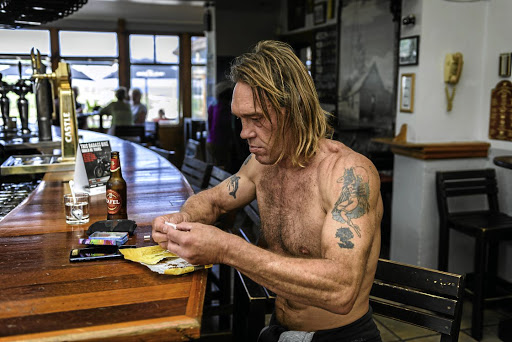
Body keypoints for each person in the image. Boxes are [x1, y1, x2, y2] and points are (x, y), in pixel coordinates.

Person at [152, 40, 383, 341]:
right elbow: (214, 201)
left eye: (257, 119)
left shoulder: (348, 174)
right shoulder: (262, 164)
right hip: (280, 328)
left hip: (341, 336)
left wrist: (226, 248)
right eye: (241, 120)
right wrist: (180, 219)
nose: (244, 132)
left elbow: (342, 291)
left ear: (295, 110)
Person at [206, 81, 234, 168]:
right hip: (220, 142)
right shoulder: (225, 108)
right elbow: (227, 126)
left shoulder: (213, 105)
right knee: (222, 168)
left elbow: (210, 124)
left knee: (215, 167)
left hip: (211, 140)